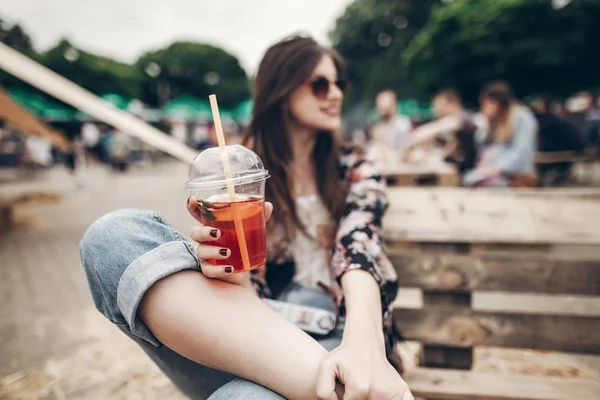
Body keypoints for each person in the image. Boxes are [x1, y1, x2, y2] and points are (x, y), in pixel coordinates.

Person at [79, 35, 413, 400]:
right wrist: (232, 279)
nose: (334, 94)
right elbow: (246, 297)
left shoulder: (355, 164)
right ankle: (340, 390)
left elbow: (359, 243)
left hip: (342, 330)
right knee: (112, 237)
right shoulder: (238, 170)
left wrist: (365, 343)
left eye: (338, 84)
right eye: (320, 84)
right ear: (282, 88)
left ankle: (339, 381)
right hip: (256, 329)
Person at [463, 81, 538, 187]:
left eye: (485, 104)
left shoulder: (522, 118)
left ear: (495, 103)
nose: (483, 108)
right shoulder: (496, 122)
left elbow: (521, 152)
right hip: (492, 172)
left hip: (514, 174)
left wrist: (497, 168)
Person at [404, 89, 479, 174]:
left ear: (450, 103)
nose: (435, 110)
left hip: (467, 175)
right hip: (453, 173)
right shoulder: (450, 130)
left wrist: (409, 143)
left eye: (438, 106)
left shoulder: (464, 118)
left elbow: (434, 129)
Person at [531, 96, 586, 185]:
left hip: (556, 151)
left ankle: (542, 180)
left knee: (542, 163)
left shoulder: (547, 122)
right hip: (567, 150)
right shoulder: (557, 120)